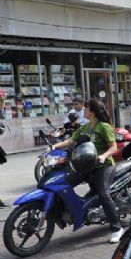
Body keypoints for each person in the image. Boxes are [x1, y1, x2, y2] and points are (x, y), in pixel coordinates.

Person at [52, 100, 122, 242]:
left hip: (104, 166)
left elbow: (114, 147)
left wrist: (103, 156)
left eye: (86, 108)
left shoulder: (104, 127)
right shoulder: (84, 127)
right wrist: (53, 147)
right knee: (63, 185)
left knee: (103, 194)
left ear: (93, 111)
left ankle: (117, 228)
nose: (83, 110)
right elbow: (71, 141)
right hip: (85, 166)